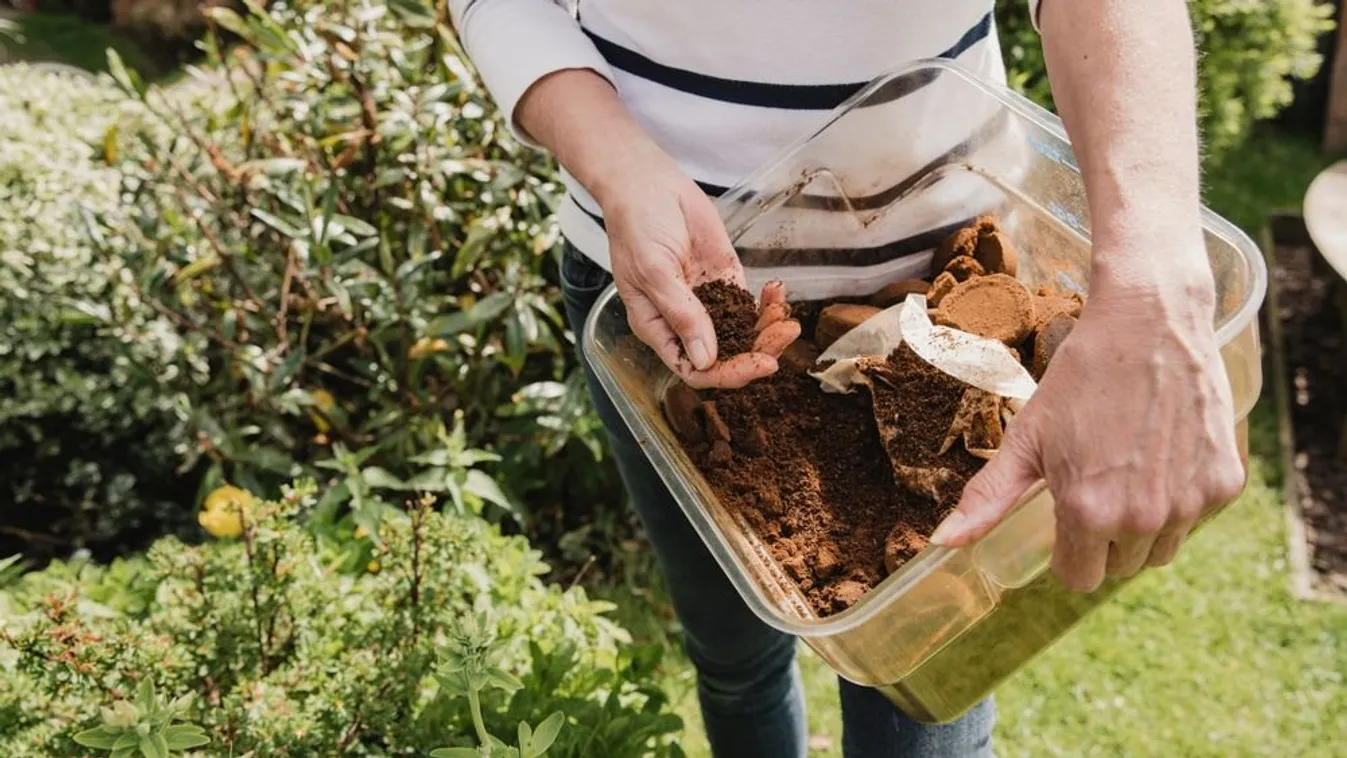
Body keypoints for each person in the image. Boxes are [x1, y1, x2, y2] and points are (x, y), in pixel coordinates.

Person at [446, 1, 1248, 755]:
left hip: (948, 297)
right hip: (671, 303)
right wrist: (617, 165)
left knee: (928, 697)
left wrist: (1152, 288)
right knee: (734, 658)